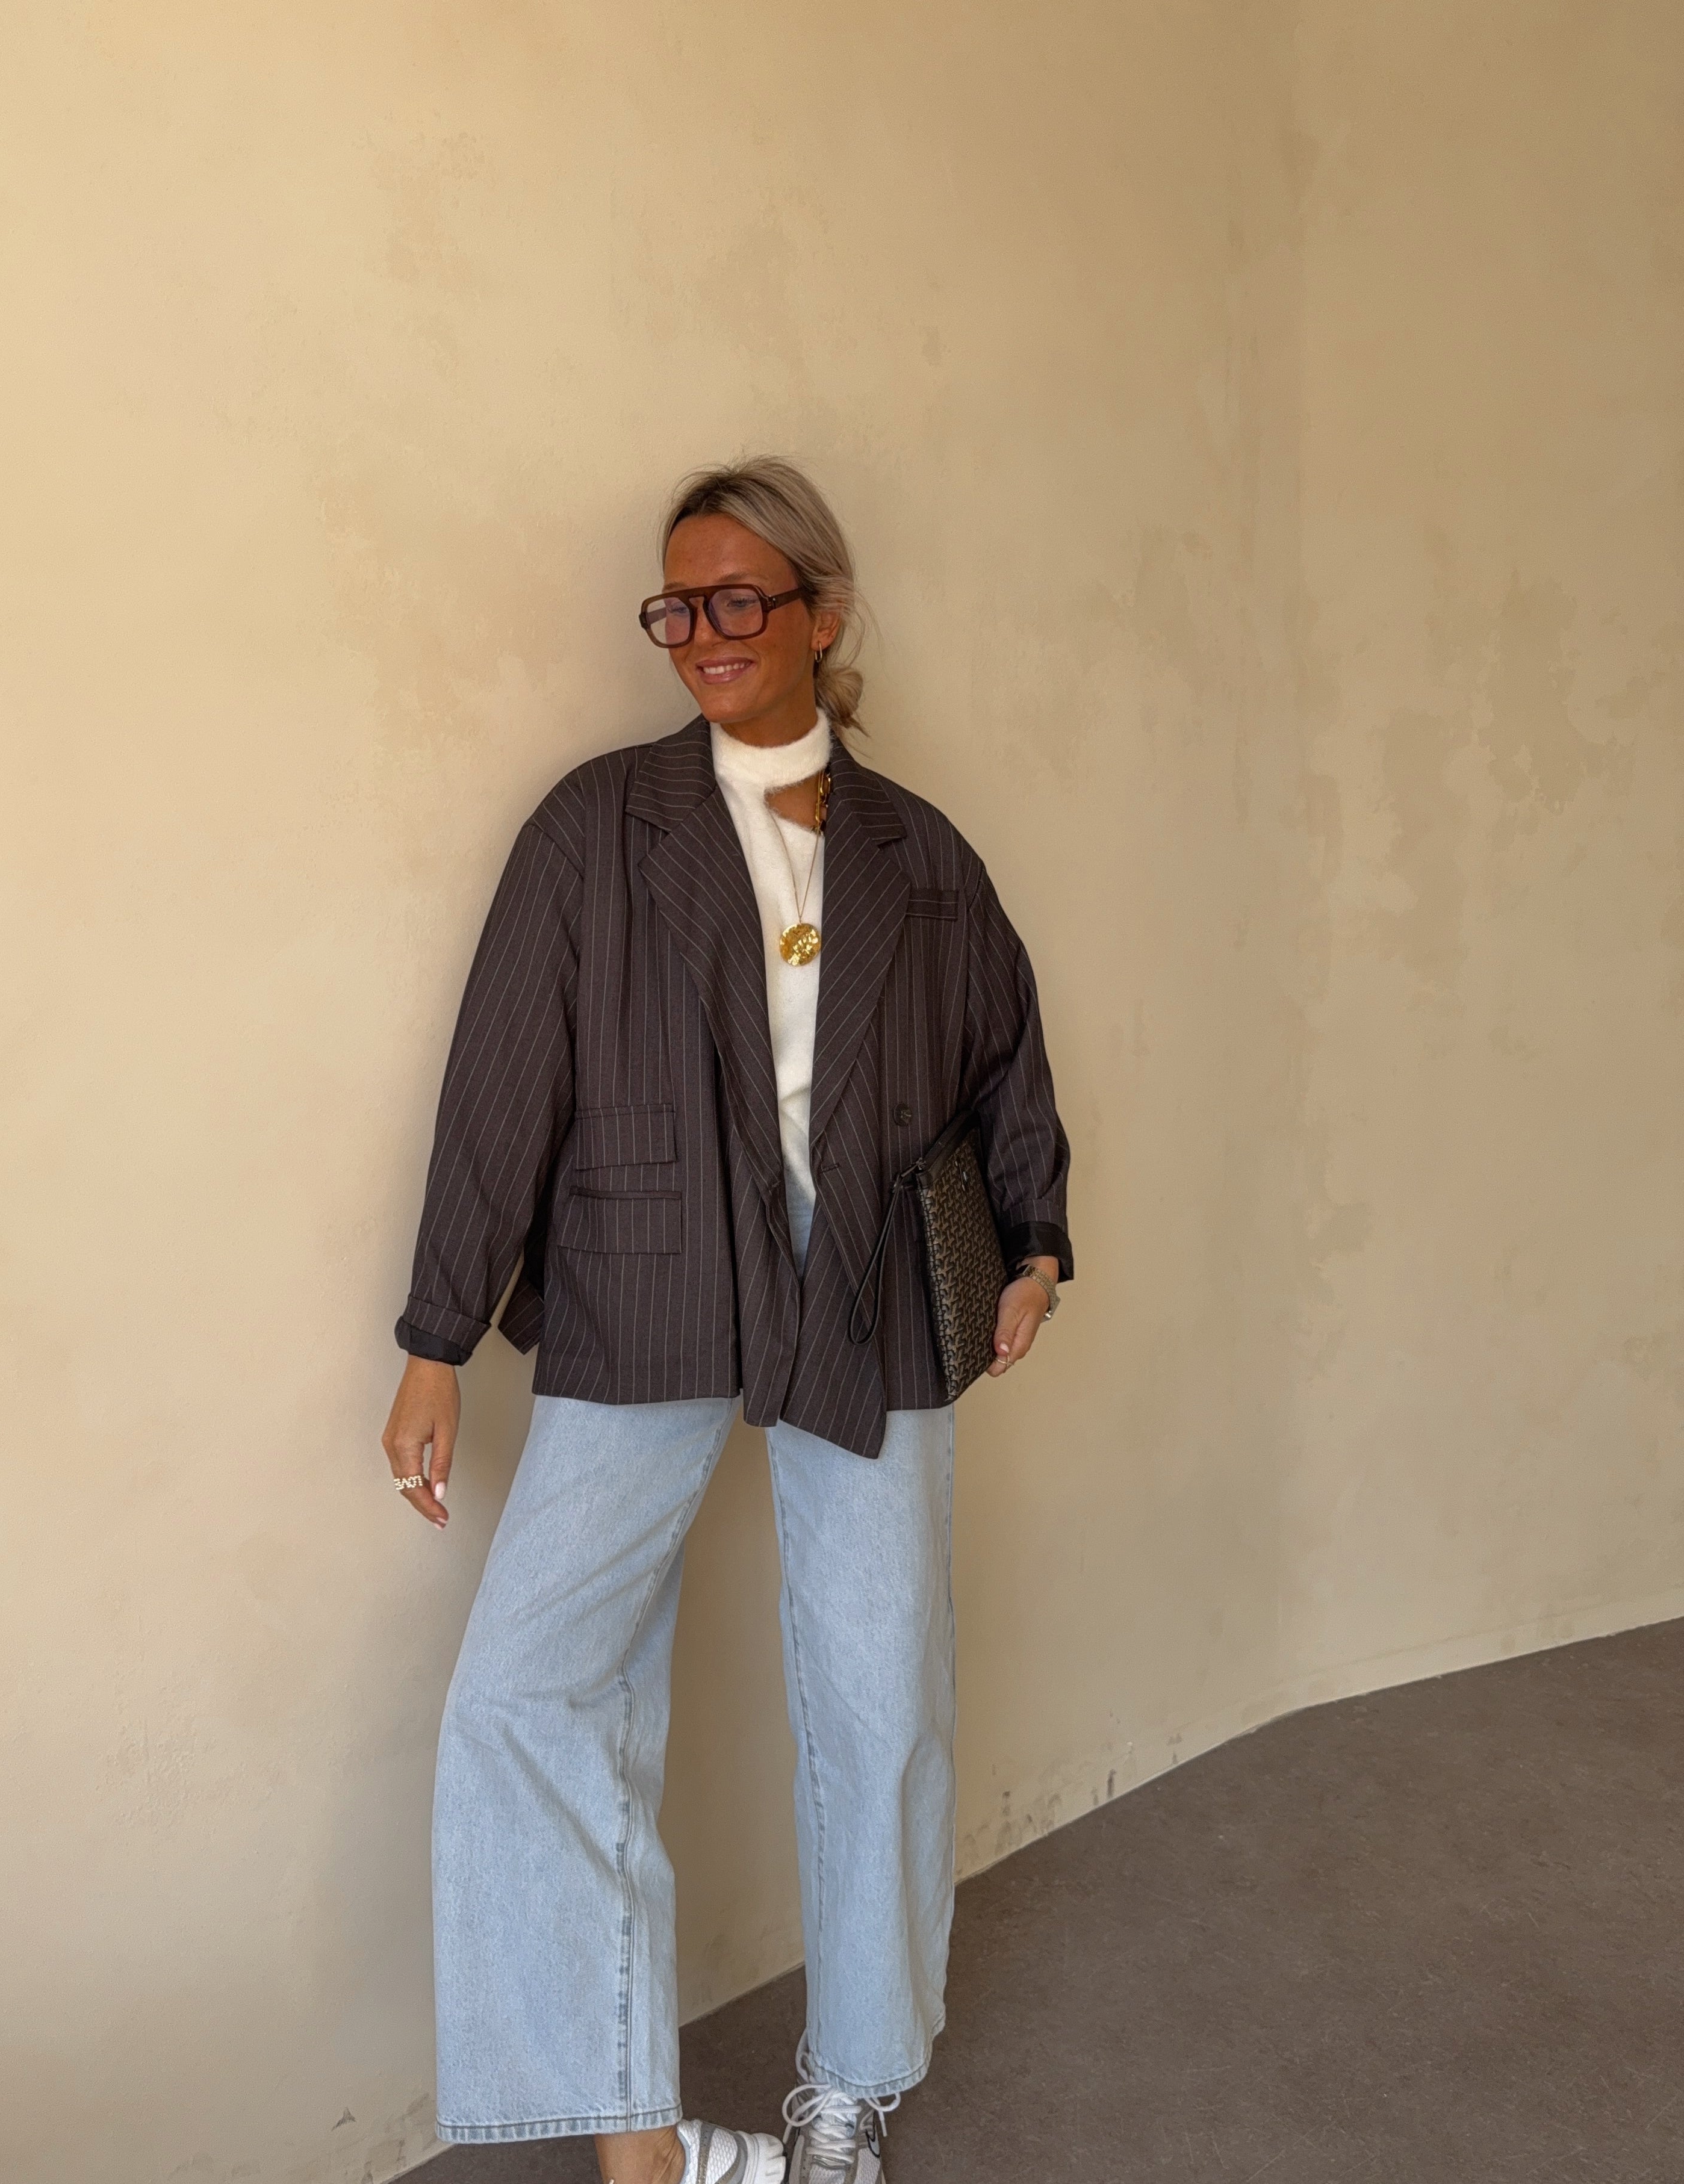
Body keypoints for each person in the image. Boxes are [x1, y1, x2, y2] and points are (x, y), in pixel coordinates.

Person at [381, 457, 1072, 2184]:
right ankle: (643, 2144)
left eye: (739, 598)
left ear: (819, 616)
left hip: (876, 1293)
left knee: (880, 1684)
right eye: (677, 604)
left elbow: (1007, 1061)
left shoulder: (922, 855)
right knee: (529, 1689)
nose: (703, 631)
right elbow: (500, 1083)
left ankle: (852, 2084)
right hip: (652, 1269)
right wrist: (436, 1335)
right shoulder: (596, 827)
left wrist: (1038, 1245)